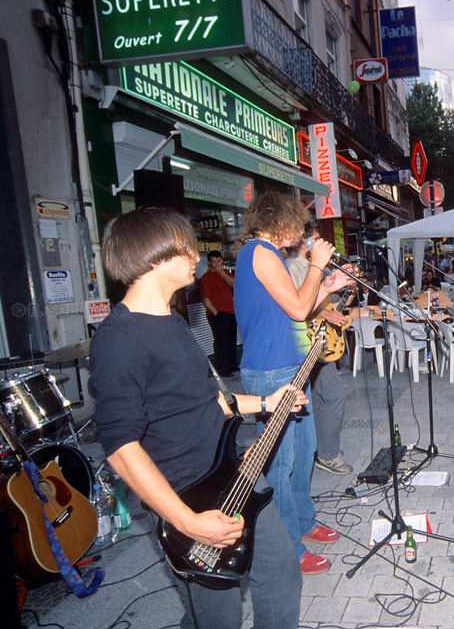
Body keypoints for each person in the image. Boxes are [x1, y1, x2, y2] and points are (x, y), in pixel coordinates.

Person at [89, 207, 305, 629]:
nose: (196, 254)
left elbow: (210, 401)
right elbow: (119, 447)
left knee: (281, 574)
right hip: (190, 497)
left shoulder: (172, 320)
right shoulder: (119, 338)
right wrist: (187, 521)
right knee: (217, 616)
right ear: (154, 257)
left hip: (234, 474)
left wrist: (266, 401)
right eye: (185, 248)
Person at [234, 193, 351, 574]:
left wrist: (327, 286)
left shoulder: (269, 255)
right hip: (271, 372)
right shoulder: (260, 252)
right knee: (281, 465)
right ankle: (290, 548)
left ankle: (303, 520)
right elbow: (300, 309)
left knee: (304, 453)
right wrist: (316, 265)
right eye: (298, 227)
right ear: (279, 221)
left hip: (290, 366)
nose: (302, 235)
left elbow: (297, 305)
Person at [285, 220, 353, 476]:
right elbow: (297, 305)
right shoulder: (293, 267)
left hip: (320, 341)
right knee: (333, 396)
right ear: (304, 241)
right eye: (316, 239)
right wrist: (325, 312)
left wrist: (349, 286)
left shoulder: (317, 268)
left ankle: (321, 449)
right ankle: (326, 454)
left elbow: (331, 300)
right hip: (307, 341)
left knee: (319, 398)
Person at [198, 250, 238, 377]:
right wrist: (216, 313)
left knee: (231, 340)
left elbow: (234, 284)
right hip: (217, 313)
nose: (216, 264)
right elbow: (205, 299)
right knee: (221, 341)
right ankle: (223, 369)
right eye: (214, 262)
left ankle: (233, 365)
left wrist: (221, 273)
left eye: (218, 261)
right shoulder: (206, 278)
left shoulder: (225, 273)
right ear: (209, 263)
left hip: (230, 311)